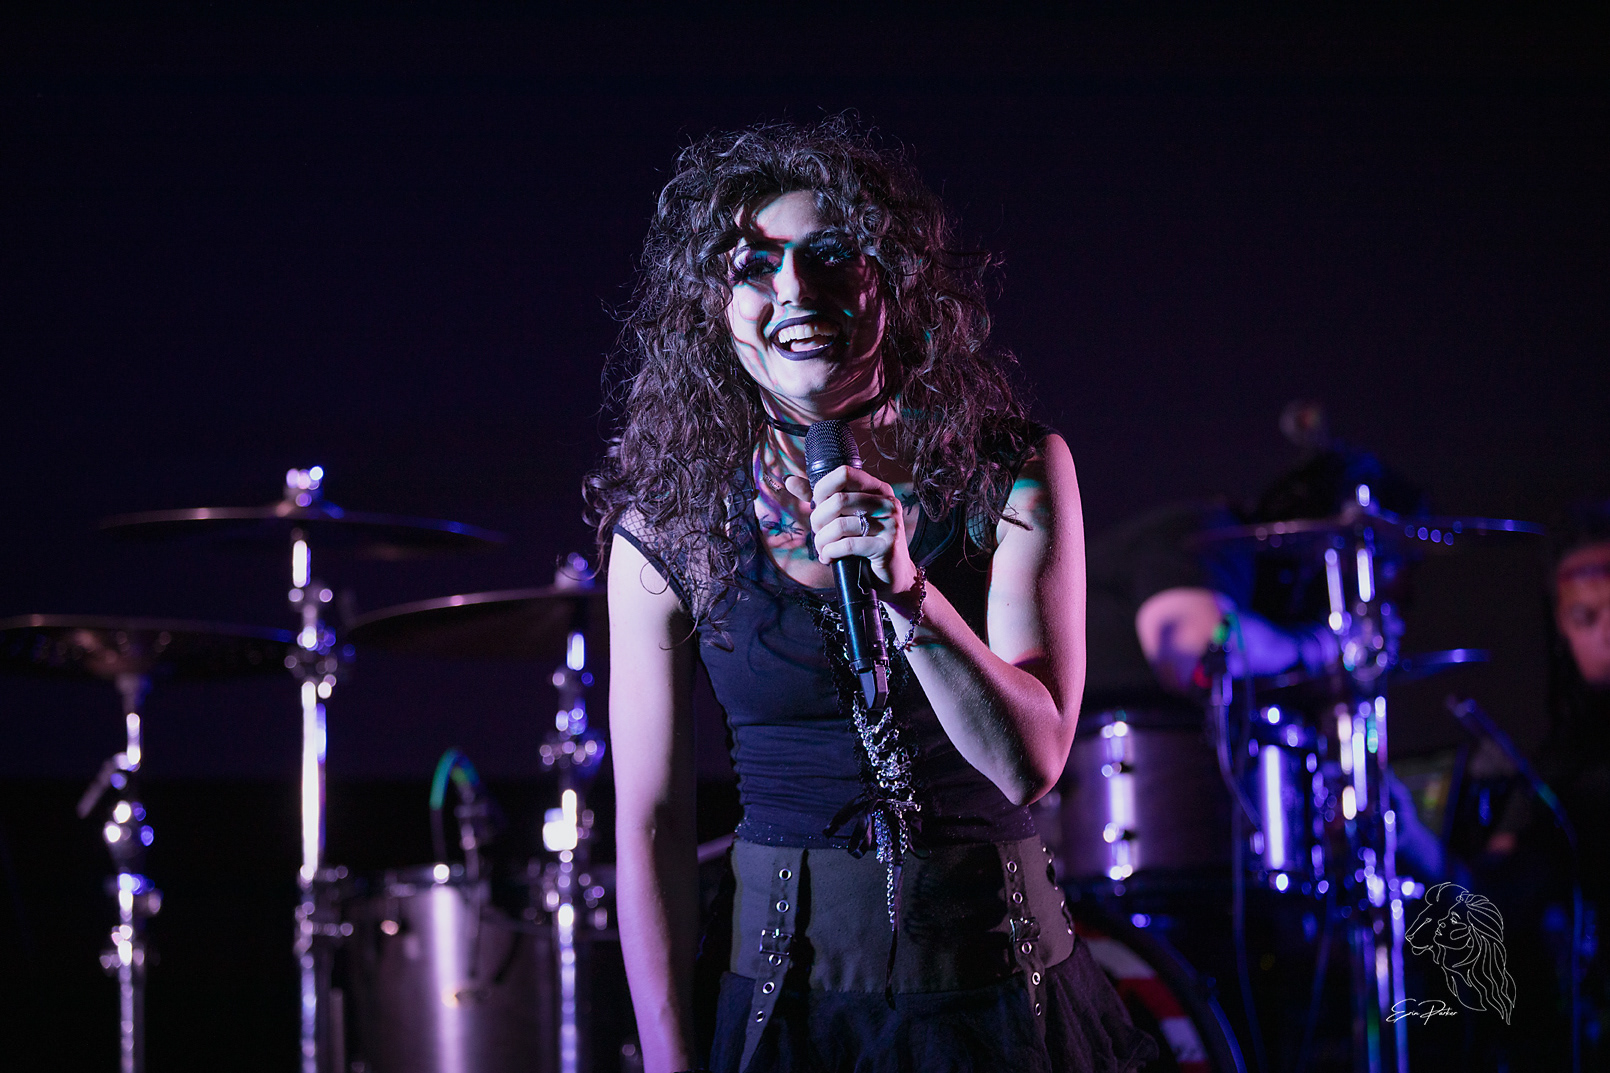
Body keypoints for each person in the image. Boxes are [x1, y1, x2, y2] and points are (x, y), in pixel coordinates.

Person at [585, 119, 1154, 1073]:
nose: (793, 290)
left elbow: (1031, 761)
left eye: (828, 255)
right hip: (784, 1012)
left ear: (890, 280)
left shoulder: (1009, 473)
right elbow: (652, 826)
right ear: (714, 309)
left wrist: (909, 593)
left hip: (1002, 1009)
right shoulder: (669, 526)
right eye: (754, 266)